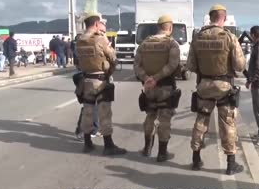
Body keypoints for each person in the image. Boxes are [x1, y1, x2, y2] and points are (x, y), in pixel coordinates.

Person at [187, 4, 245, 174]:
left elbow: (190, 65)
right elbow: (240, 65)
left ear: (210, 17)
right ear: (224, 18)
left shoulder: (198, 37)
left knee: (201, 120)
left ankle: (196, 159)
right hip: (224, 87)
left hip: (204, 85)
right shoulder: (229, 37)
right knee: (227, 123)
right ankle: (230, 163)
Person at [75, 13, 126, 155]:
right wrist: (109, 73)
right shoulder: (100, 39)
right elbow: (113, 58)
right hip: (101, 80)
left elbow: (78, 62)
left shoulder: (79, 41)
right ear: (96, 24)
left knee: (88, 112)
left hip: (86, 81)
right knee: (104, 113)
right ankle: (108, 145)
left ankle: (87, 143)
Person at [134, 15, 181, 162]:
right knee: (164, 119)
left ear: (158, 27)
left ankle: (147, 148)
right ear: (170, 27)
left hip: (149, 87)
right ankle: (162, 153)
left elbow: (137, 65)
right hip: (165, 86)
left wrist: (147, 78)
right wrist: (156, 78)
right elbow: (173, 65)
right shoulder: (172, 44)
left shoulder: (144, 44)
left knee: (150, 116)